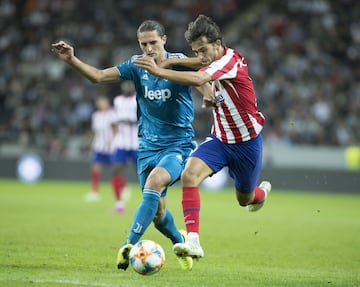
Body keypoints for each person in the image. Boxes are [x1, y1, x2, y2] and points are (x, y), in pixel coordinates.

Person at [51, 19, 214, 271]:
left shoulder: (178, 60)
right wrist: (72, 59)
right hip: (146, 147)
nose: (149, 48)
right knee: (159, 215)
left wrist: (208, 95)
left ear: (164, 40)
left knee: (154, 182)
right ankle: (179, 240)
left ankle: (128, 245)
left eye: (153, 42)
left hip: (177, 145)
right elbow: (98, 76)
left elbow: (201, 78)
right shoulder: (136, 66)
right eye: (143, 44)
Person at [134, 14, 272, 260]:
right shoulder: (211, 58)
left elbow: (199, 77)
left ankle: (260, 195)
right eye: (197, 51)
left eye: (205, 50)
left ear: (218, 44)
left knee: (245, 199)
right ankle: (194, 241)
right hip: (219, 139)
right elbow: (197, 64)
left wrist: (160, 70)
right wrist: (171, 63)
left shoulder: (229, 60)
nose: (202, 56)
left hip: (246, 143)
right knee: (189, 175)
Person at [110, 80, 138, 213]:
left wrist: (127, 120)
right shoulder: (117, 100)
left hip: (136, 142)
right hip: (121, 141)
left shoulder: (138, 99)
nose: (127, 87)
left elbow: (141, 118)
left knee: (143, 173)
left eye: (130, 85)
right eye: (125, 84)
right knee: (116, 169)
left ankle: (152, 203)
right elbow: (114, 119)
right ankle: (119, 203)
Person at [85, 94, 117, 203]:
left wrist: (113, 140)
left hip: (110, 146)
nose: (101, 104)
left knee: (116, 169)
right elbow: (95, 132)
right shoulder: (96, 115)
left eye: (103, 101)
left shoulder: (112, 114)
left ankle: (122, 188)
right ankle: (95, 192)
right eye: (99, 102)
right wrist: (91, 144)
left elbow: (116, 129)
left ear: (107, 102)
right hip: (98, 146)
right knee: (95, 167)